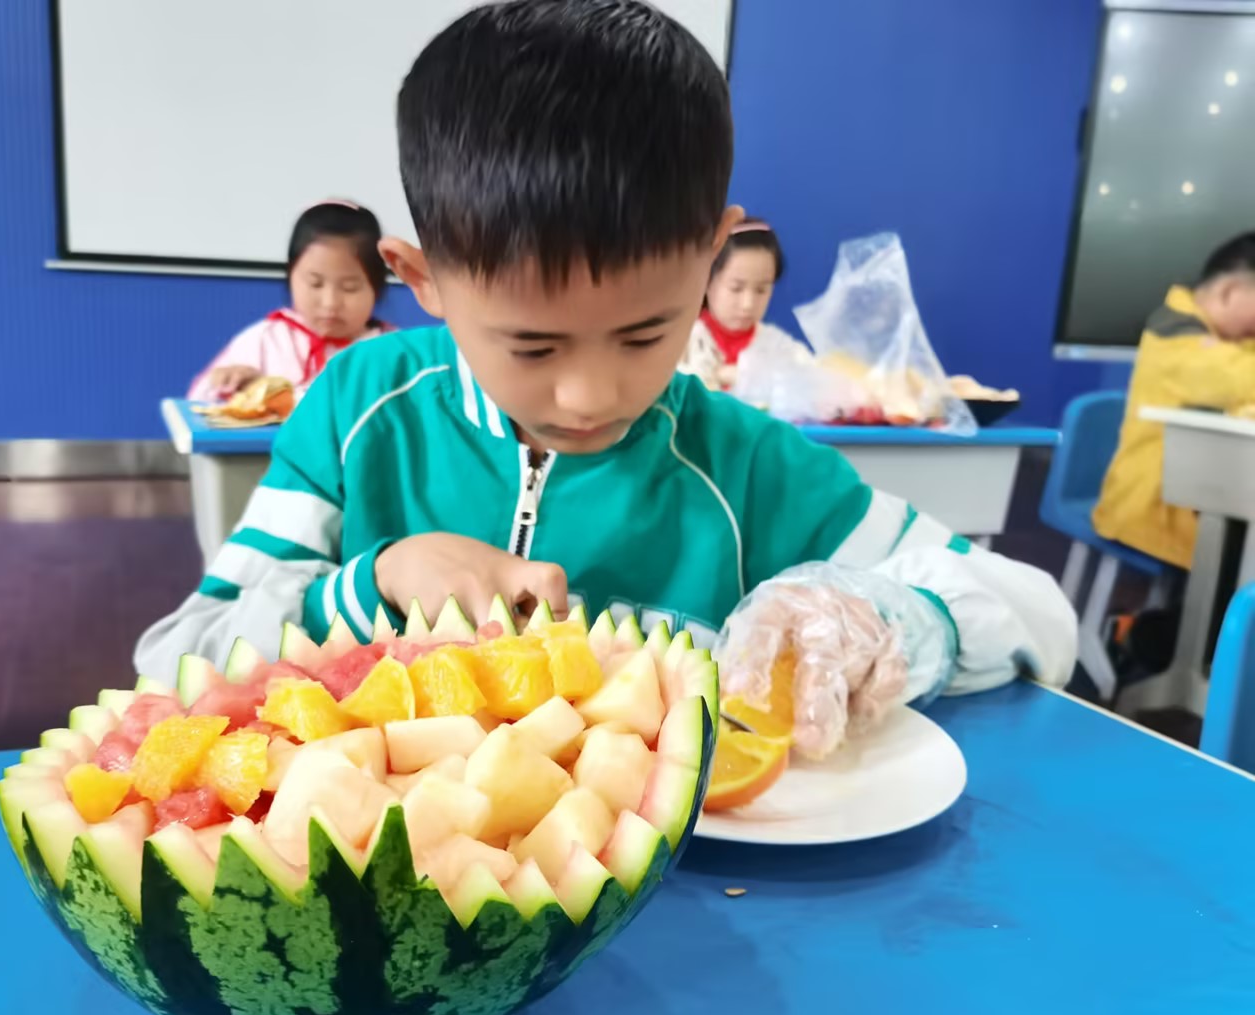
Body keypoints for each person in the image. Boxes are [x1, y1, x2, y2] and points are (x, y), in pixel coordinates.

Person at [138, 0, 1074, 754]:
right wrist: (371, 585)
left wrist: (891, 619)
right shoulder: (358, 410)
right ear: (423, 282)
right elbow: (178, 661)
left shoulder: (748, 465)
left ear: (712, 257)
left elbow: (1039, 612)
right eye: (533, 347)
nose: (590, 396)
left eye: (645, 333)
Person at [1094, 232, 1255, 569]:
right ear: (1230, 292)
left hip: (1208, 496)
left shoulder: (1227, 337)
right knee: (1236, 566)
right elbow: (1238, 379)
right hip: (1152, 509)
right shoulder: (1173, 335)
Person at [188, 200, 393, 403]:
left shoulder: (392, 350)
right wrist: (225, 384)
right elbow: (197, 402)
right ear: (291, 276)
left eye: (350, 288)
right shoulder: (264, 340)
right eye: (315, 284)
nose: (330, 302)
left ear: (376, 287)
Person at [678, 217, 813, 393]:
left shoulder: (778, 346)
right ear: (707, 281)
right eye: (736, 288)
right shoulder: (684, 342)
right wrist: (718, 375)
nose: (748, 304)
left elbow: (812, 377)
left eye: (761, 290)